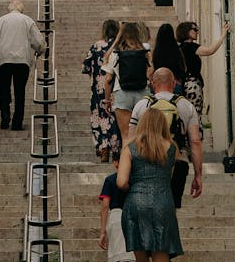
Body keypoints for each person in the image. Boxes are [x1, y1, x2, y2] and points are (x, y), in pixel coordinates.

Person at [117, 107, 183, 262]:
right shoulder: (171, 148)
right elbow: (170, 175)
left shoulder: (130, 148)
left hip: (137, 205)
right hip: (163, 205)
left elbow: (121, 181)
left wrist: (133, 186)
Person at [129, 67, 202, 209]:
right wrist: (198, 175)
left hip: (146, 162)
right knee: (171, 209)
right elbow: (195, 141)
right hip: (177, 162)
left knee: (147, 207)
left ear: (152, 83)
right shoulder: (187, 106)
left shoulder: (141, 105)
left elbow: (131, 140)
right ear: (174, 83)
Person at [0, 0, 46, 130]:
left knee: (3, 89)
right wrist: (41, 50)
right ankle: (17, 121)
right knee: (20, 92)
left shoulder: (0, 21)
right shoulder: (27, 20)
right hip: (21, 61)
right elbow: (39, 42)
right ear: (21, 9)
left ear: (9, 9)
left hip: (4, 60)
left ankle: (5, 116)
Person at [98, 159, 139, 262]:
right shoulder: (135, 179)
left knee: (121, 256)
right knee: (133, 257)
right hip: (133, 215)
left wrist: (102, 231)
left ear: (115, 163)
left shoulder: (110, 180)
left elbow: (104, 206)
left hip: (115, 217)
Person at [102, 22, 151, 142]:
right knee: (143, 133)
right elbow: (151, 73)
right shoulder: (145, 51)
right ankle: (142, 159)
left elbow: (108, 79)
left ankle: (127, 160)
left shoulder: (115, 53)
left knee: (126, 135)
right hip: (143, 93)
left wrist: (107, 100)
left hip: (122, 93)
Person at [82, 19, 122, 163]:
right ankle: (117, 149)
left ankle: (103, 147)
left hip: (98, 89)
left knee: (100, 117)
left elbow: (86, 67)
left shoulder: (96, 46)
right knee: (116, 118)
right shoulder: (120, 46)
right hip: (116, 87)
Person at [176, 19, 229, 125]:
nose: (197, 31)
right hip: (192, 85)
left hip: (182, 84)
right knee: (195, 115)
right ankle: (195, 137)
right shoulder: (191, 47)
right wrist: (223, 36)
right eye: (194, 29)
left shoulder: (179, 48)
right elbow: (210, 50)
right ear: (187, 31)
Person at [151, 23, 187, 90]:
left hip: (159, 85)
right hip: (175, 82)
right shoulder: (177, 50)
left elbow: (154, 67)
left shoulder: (156, 51)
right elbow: (183, 68)